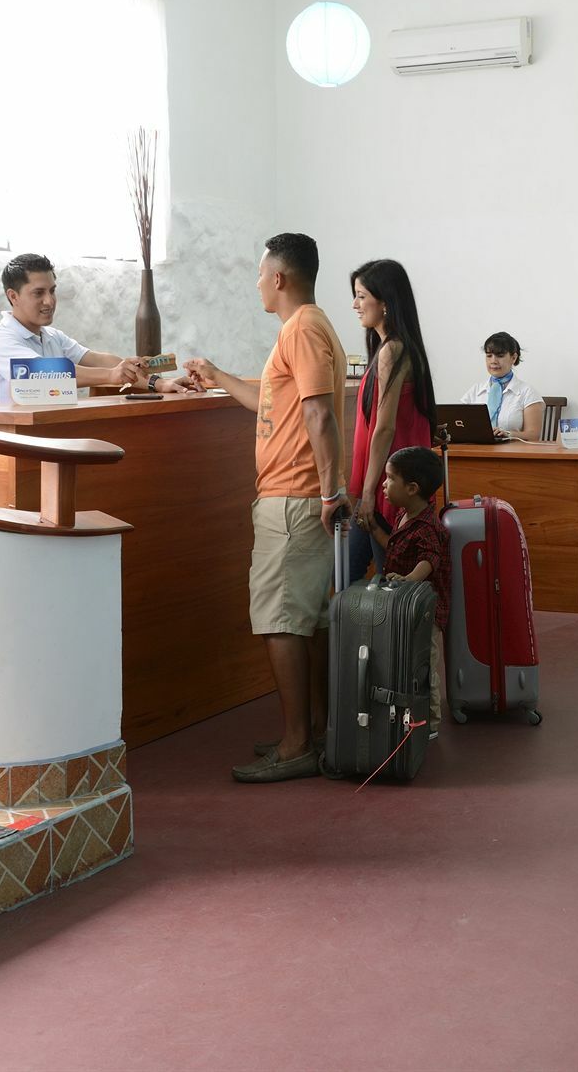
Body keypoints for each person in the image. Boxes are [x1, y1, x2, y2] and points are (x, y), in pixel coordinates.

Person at [184, 233, 347, 784]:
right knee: (306, 622)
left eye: (260, 274)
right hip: (301, 495)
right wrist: (217, 375)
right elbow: (276, 401)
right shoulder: (310, 326)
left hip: (294, 498)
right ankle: (316, 731)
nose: (256, 282)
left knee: (281, 622)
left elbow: (320, 416)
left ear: (279, 277)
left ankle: (298, 744)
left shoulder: (300, 329)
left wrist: (329, 492)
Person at [345, 259, 438, 583]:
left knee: (390, 580)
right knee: (346, 574)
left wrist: (369, 492)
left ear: (384, 302)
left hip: (388, 488)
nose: (355, 305)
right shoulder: (390, 348)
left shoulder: (393, 350)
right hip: (383, 484)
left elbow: (384, 427)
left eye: (361, 296)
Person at [0, 254, 147, 402]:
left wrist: (156, 382)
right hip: (8, 438)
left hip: (50, 433)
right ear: (13, 296)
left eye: (52, 291)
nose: (49, 301)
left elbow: (97, 359)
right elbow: (45, 373)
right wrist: (111, 375)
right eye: (38, 293)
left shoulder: (53, 336)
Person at [378, 445, 452, 739]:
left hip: (426, 613)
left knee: (424, 666)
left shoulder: (427, 527)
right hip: (407, 607)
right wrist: (373, 529)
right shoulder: (404, 516)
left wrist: (409, 579)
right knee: (408, 662)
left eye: (389, 478)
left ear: (411, 488)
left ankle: (431, 723)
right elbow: (395, 547)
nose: (384, 485)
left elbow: (429, 560)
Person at [459, 332, 544, 442]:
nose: (493, 361)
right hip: (477, 451)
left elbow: (533, 435)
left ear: (513, 358)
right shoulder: (475, 390)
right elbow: (459, 425)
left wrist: (508, 434)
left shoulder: (527, 392)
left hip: (512, 455)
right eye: (489, 356)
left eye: (500, 356)